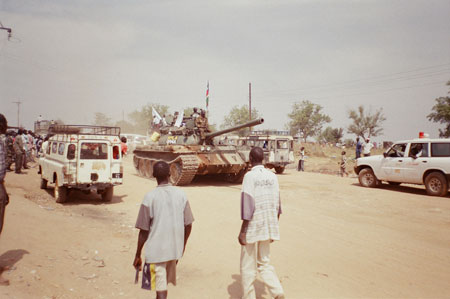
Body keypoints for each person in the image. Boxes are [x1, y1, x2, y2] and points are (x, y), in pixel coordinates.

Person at [134, 161, 194, 299]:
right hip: (174, 251)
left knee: (160, 290)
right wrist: (182, 246)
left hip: (157, 253)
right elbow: (188, 225)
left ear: (153, 175)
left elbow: (144, 231)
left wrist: (137, 254)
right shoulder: (181, 194)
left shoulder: (149, 197)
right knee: (163, 285)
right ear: (170, 173)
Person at [238, 147, 285, 299]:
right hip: (268, 224)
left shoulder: (249, 177)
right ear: (263, 159)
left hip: (253, 225)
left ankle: (249, 296)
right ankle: (277, 291)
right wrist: (274, 226)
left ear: (250, 159)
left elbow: (248, 204)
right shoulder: (272, 176)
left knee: (247, 265)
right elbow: (278, 203)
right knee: (264, 262)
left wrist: (243, 231)